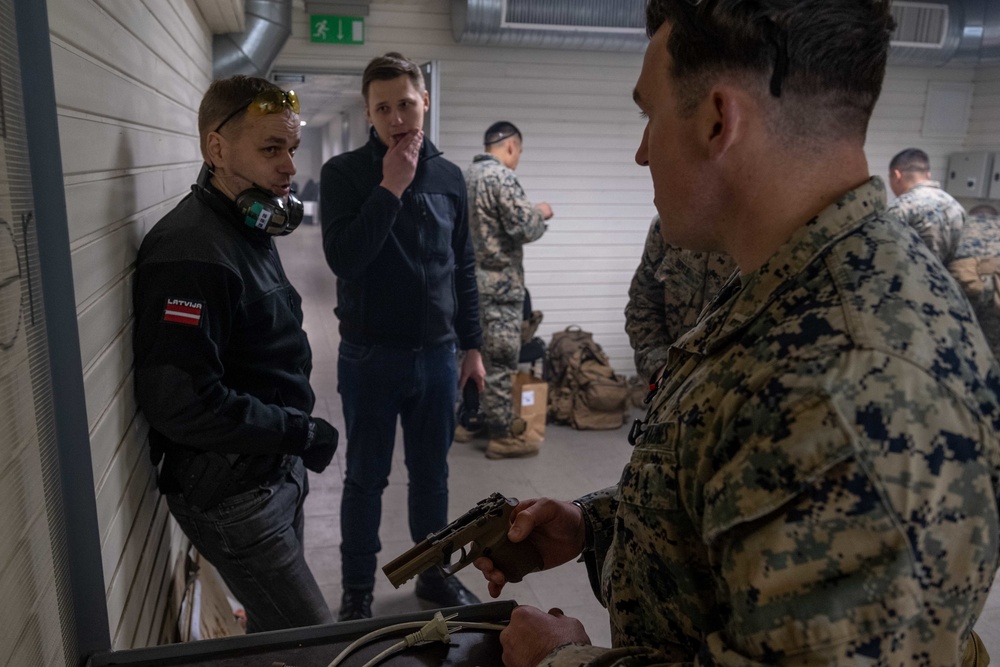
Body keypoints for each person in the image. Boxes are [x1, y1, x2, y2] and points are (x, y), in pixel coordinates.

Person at [474, 2, 1000, 665]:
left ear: (718, 120)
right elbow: (747, 488)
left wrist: (562, 660)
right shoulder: (800, 279)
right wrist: (595, 525)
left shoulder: (850, 385)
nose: (641, 152)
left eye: (649, 115)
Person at [133, 75, 338, 633]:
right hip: (235, 496)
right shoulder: (191, 251)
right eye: (272, 149)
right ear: (216, 149)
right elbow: (182, 400)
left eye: (291, 149)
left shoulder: (244, 228)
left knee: (274, 634)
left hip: (273, 468)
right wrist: (300, 433)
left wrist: (291, 443)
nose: (290, 167)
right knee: (315, 643)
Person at [319, 52, 486, 621]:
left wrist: (473, 346)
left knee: (432, 477)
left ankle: (433, 578)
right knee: (366, 478)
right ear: (368, 113)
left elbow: (462, 266)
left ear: (426, 102)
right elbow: (344, 259)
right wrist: (390, 188)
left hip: (438, 358)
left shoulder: (449, 176)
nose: (397, 118)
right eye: (383, 108)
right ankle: (358, 593)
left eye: (406, 104)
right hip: (370, 357)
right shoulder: (344, 175)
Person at [462, 121, 553, 459]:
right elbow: (523, 226)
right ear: (511, 146)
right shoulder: (502, 177)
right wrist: (541, 213)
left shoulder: (466, 176)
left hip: (470, 287)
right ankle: (501, 436)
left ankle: (469, 420)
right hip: (499, 289)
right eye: (519, 152)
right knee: (500, 361)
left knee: (473, 358)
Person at [624, 214, 736, 381]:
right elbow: (643, 304)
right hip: (673, 389)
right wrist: (661, 369)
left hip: (741, 390)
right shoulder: (670, 223)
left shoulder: (772, 226)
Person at [887, 147, 967, 264]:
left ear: (897, 175)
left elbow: (885, 251)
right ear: (928, 174)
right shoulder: (956, 206)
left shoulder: (901, 206)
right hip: (948, 280)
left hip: (913, 279)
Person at [949, 205, 1000, 360]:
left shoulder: (959, 226)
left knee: (961, 339)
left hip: (965, 282)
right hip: (997, 288)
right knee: (992, 344)